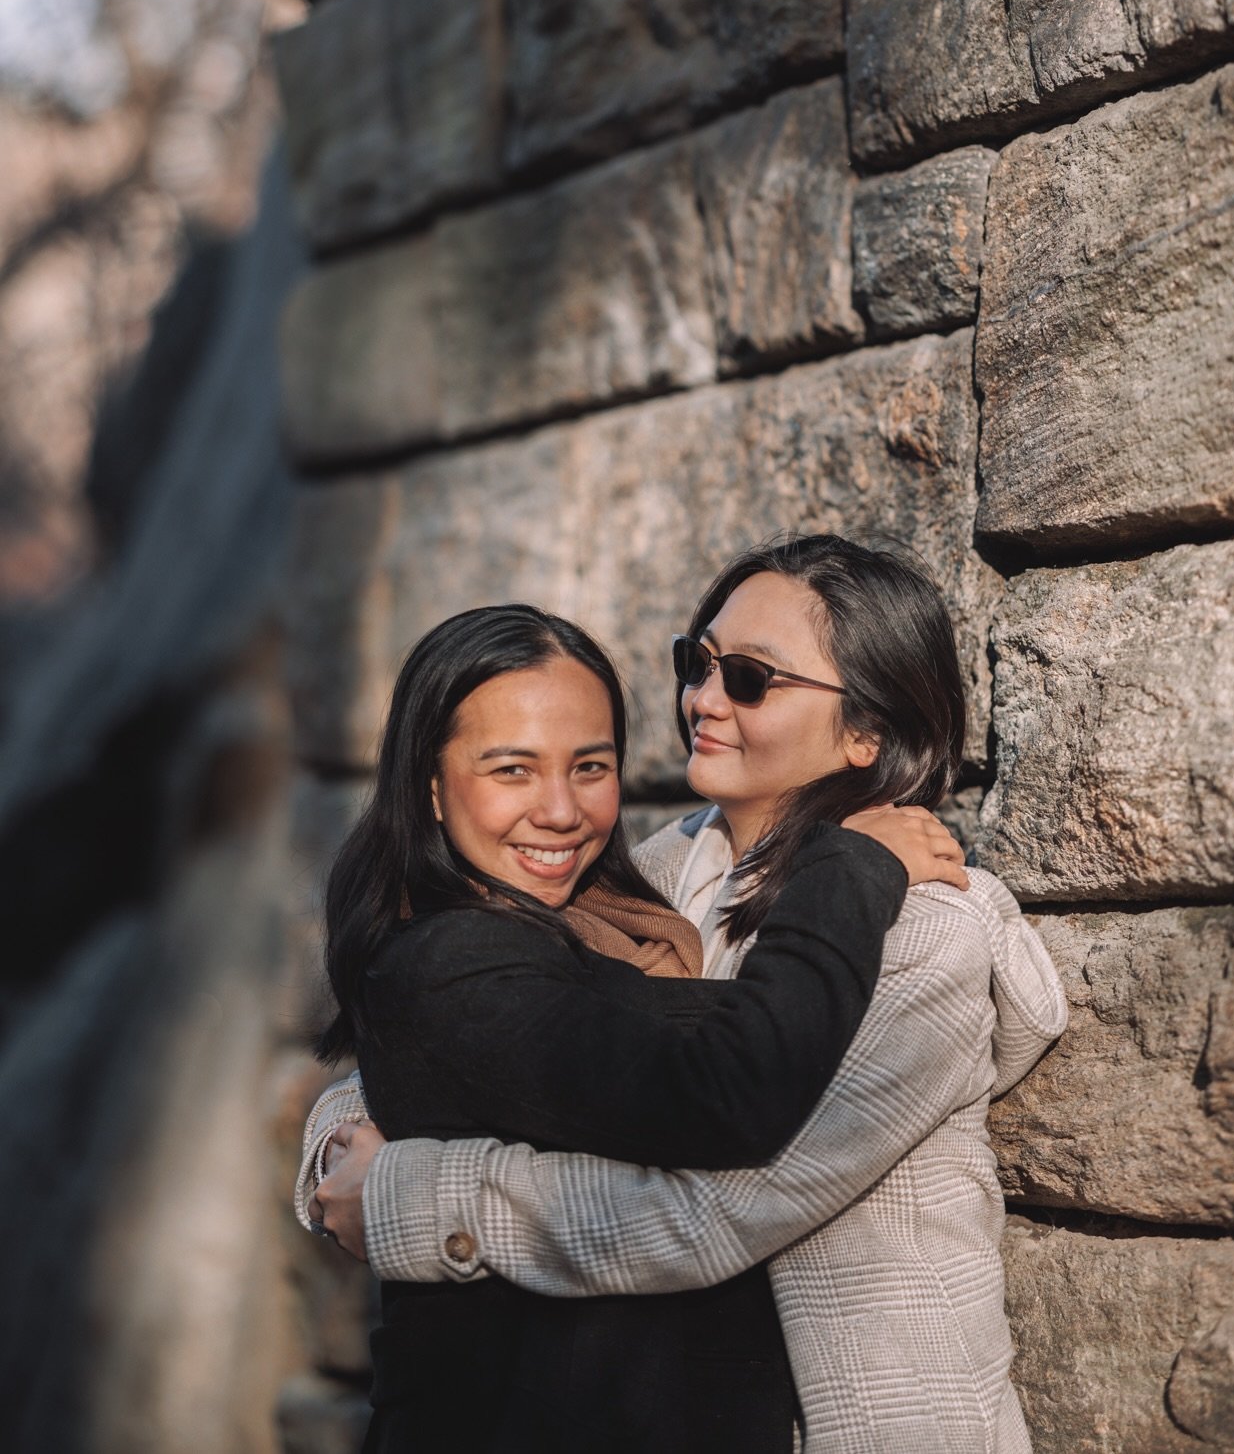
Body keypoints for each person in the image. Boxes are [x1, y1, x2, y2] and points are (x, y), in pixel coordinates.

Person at [303, 537, 1068, 1453]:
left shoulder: (924, 934)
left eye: (749, 677)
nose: (703, 699)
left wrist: (403, 1197)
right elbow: (469, 1034)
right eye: (696, 663)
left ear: (866, 732)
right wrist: (328, 1155)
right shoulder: (646, 879)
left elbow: (715, 1209)